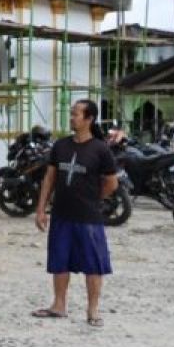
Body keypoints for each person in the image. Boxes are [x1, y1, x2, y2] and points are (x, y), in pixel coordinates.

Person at [32, 99, 119, 328]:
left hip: (88, 217)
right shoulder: (60, 146)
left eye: (76, 114)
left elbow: (111, 183)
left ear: (89, 119)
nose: (72, 117)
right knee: (59, 261)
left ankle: (93, 310)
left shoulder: (100, 149)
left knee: (94, 264)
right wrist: (41, 208)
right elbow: (50, 178)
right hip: (61, 214)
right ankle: (58, 305)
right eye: (71, 113)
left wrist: (94, 198)